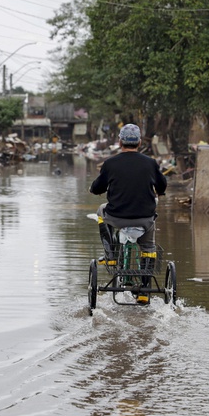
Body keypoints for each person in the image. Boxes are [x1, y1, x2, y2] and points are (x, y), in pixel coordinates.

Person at [89, 123, 167, 302]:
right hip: (144, 219)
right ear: (139, 142)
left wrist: (93, 190)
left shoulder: (110, 163)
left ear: (120, 142)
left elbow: (98, 186)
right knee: (148, 247)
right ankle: (144, 292)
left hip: (117, 217)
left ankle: (110, 255)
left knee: (101, 210)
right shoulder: (150, 163)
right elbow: (162, 185)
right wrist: (159, 191)